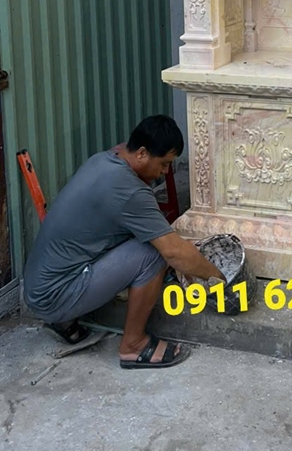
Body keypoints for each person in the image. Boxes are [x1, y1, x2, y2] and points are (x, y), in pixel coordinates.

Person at [23, 114, 225, 369]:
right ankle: (133, 345)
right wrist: (218, 277)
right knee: (153, 254)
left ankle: (64, 321)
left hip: (38, 287)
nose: (165, 172)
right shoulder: (128, 191)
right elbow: (174, 252)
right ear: (141, 153)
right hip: (54, 296)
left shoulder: (104, 160)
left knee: (148, 236)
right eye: (164, 164)